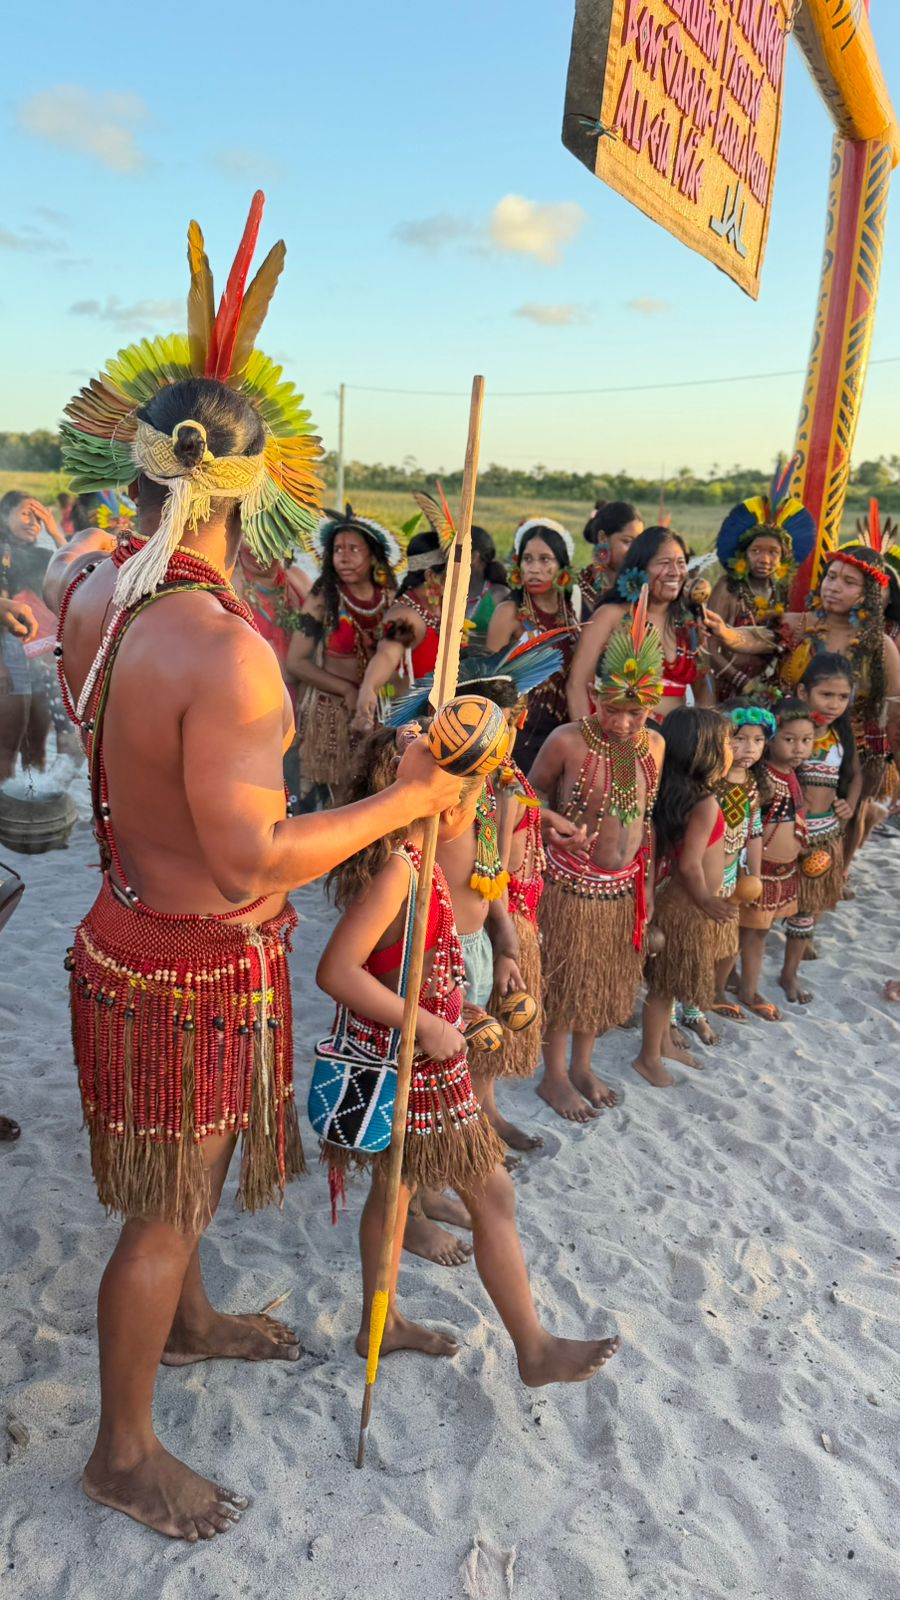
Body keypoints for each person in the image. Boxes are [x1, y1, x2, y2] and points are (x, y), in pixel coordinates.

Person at [55, 194, 462, 1543]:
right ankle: (120, 1453)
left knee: (190, 1178)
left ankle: (195, 1322)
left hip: (130, 929)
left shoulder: (99, 595)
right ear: (248, 487)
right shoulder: (221, 653)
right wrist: (403, 798)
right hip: (189, 959)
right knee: (163, 1210)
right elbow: (259, 847)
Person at [316, 726, 620, 1385]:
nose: (471, 797)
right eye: (457, 785)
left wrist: (462, 1009)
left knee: (399, 1192)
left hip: (427, 1056)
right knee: (484, 1193)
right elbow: (337, 971)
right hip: (413, 1066)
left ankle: (386, 1323)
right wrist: (424, 1022)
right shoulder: (400, 870)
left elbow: (415, 966)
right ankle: (531, 1348)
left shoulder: (420, 865)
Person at [529, 595, 665, 1120]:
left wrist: (647, 885)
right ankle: (556, 1076)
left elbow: (646, 820)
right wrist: (551, 826)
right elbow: (524, 797)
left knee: (601, 979)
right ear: (593, 695)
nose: (625, 723)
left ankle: (583, 1066)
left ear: (651, 707)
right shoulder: (567, 741)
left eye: (637, 712)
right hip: (571, 884)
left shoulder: (653, 746)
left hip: (622, 888)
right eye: (613, 709)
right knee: (565, 979)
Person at [706, 542, 900, 878]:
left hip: (848, 752)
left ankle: (827, 885)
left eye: (848, 582)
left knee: (842, 825)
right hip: (786, 744)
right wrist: (724, 632)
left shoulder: (880, 647)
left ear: (868, 593)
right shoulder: (799, 625)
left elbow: (895, 708)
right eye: (831, 577)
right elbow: (754, 638)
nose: (834, 586)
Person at [635, 709, 736, 1086]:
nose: (732, 749)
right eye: (727, 742)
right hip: (687, 903)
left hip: (672, 900)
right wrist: (706, 900)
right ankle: (648, 1057)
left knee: (667, 982)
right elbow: (692, 865)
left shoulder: (678, 796)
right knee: (664, 988)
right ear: (705, 751)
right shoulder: (705, 803)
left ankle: (663, 1045)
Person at [286, 507, 400, 803]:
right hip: (331, 714)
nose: (343, 557)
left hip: (376, 710)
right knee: (338, 797)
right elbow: (296, 662)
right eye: (337, 549)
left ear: (373, 555)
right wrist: (347, 689)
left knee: (374, 790)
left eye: (353, 549)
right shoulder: (322, 597)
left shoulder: (389, 598)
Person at [568, 527, 711, 726]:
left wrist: (703, 737)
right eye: (664, 563)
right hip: (618, 737)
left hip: (677, 744)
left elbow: (705, 688)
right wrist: (588, 741)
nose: (675, 572)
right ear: (640, 568)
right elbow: (577, 685)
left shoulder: (688, 622)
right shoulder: (611, 615)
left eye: (680, 563)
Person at [779, 656, 861, 1004]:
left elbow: (856, 774)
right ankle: (736, 972)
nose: (834, 704)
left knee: (807, 907)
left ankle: (789, 974)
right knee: (761, 903)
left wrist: (850, 804)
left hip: (825, 833)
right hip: (783, 833)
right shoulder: (788, 729)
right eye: (826, 694)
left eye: (842, 697)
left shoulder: (841, 733)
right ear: (802, 691)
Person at [734, 699, 815, 1023]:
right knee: (749, 933)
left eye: (806, 741)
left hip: (782, 872)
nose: (798, 748)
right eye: (789, 739)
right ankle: (746, 990)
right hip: (760, 872)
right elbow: (750, 825)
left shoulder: (791, 774)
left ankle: (740, 984)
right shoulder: (763, 778)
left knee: (758, 933)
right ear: (772, 739)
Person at [705, 465, 816, 702]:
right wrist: (742, 683)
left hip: (766, 688)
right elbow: (708, 648)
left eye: (773, 552)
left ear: (783, 558)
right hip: (725, 688)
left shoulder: (781, 592)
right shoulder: (727, 588)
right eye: (756, 551)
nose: (764, 559)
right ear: (743, 554)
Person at [485, 520, 580, 772]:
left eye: (545, 559)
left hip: (564, 728)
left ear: (562, 566)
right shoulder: (509, 612)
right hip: (520, 732)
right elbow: (491, 682)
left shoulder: (574, 610)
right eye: (527, 559)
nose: (534, 569)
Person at [698, 702, 767, 1028]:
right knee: (698, 937)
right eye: (739, 739)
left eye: (758, 740)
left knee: (728, 939)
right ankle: (690, 998)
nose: (748, 748)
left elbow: (753, 832)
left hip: (731, 874)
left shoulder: (752, 785)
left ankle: (716, 989)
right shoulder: (711, 781)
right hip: (703, 873)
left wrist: (754, 873)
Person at [353, 527, 449, 730]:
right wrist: (369, 687)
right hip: (406, 730)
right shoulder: (405, 615)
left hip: (436, 724)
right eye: (454, 573)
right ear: (432, 575)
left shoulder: (442, 607)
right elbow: (387, 655)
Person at [0, 492, 66, 778]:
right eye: (26, 514)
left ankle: (32, 806)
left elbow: (79, 577)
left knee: (37, 748)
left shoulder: (45, 556)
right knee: (5, 750)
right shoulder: (3, 552)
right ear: (5, 515)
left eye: (39, 519)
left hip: (40, 663)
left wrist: (55, 532)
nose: (33, 523)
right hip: (7, 665)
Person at [579, 500, 644, 615]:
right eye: (627, 541)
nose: (635, 549)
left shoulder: (644, 590)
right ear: (603, 538)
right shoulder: (573, 590)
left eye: (639, 542)